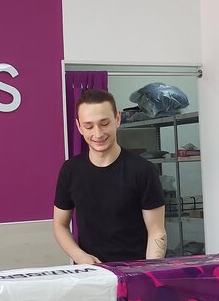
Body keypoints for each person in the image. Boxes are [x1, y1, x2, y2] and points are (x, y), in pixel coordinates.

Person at [53, 88, 167, 264]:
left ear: (117, 119)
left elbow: (156, 231)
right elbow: (60, 224)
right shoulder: (70, 171)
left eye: (104, 123)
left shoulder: (143, 170)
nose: (98, 134)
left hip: (134, 271)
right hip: (92, 274)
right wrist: (79, 256)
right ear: (79, 127)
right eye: (89, 126)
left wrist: (149, 272)